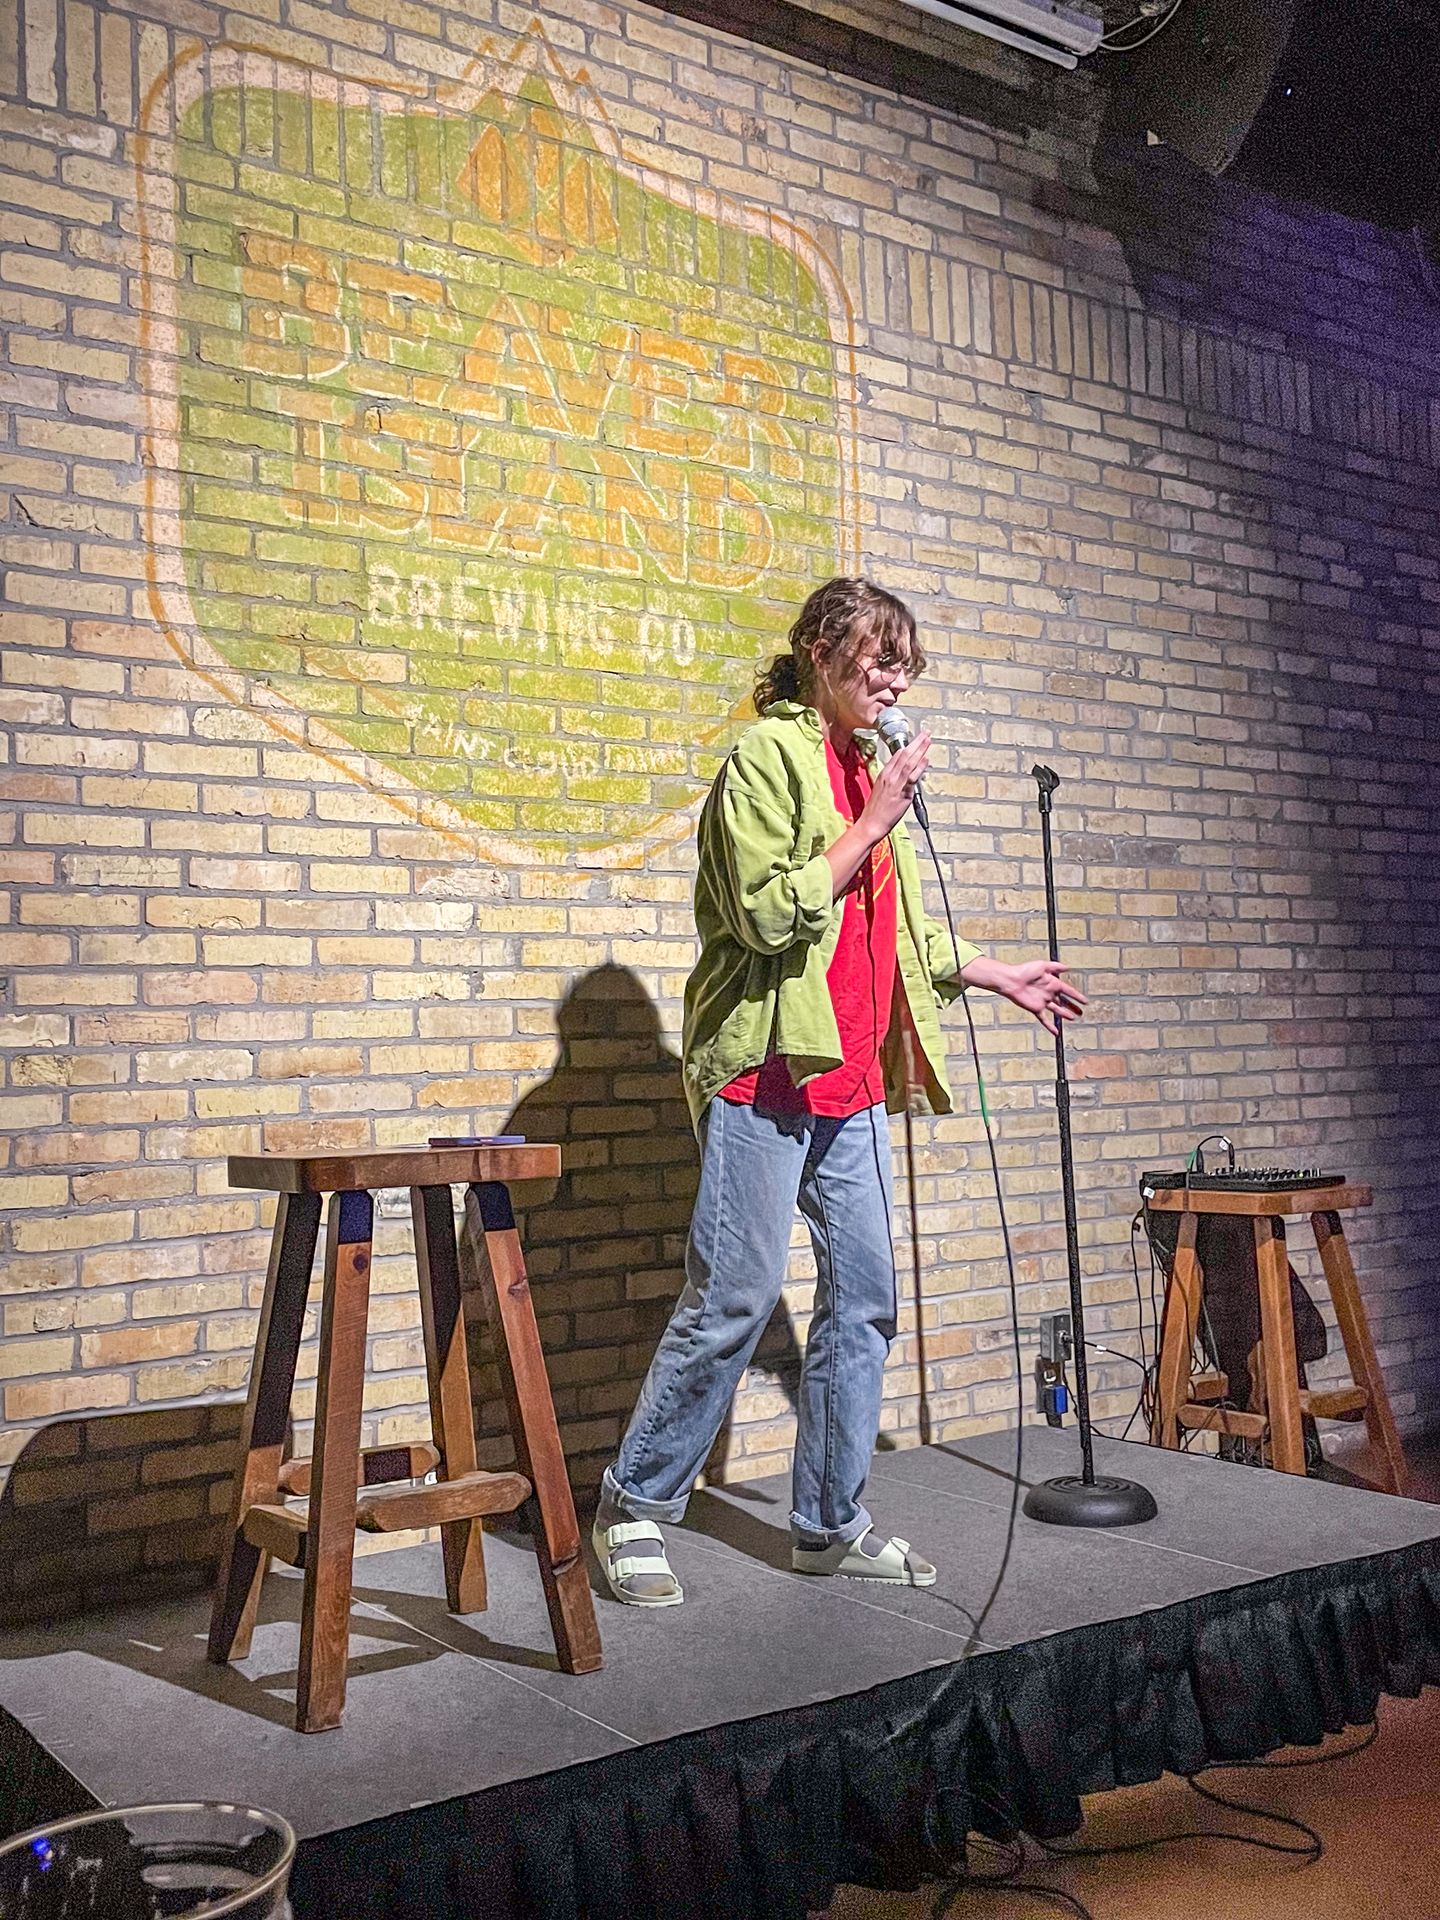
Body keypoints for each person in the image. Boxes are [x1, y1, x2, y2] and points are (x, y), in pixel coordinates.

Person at [593, 577, 1084, 1606]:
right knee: (731, 1299)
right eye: (877, 655)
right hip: (766, 1073)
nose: (894, 677)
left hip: (853, 1079)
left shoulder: (869, 770)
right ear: (820, 650)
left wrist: (995, 971)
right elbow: (768, 914)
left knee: (863, 1302)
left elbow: (895, 923)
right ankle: (634, 1507)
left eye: (905, 661)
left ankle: (828, 1523)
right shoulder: (766, 762)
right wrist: (873, 819)